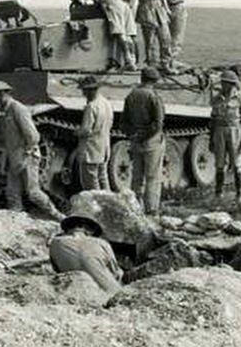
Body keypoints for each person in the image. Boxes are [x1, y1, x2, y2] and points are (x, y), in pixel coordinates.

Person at [0, 80, 63, 219]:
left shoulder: (17, 108)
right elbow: (7, 139)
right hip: (13, 157)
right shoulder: (4, 111)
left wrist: (26, 154)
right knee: (12, 193)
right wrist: (5, 157)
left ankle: (57, 215)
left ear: (1, 94)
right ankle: (17, 220)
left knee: (33, 193)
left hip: (27, 156)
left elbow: (33, 136)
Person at [48, 196, 123, 295]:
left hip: (77, 294)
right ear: (89, 229)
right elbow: (117, 273)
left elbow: (58, 271)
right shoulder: (102, 243)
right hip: (111, 293)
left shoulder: (55, 243)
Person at [121, 66, 165, 215]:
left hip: (135, 141)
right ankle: (151, 210)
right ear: (154, 81)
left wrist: (133, 135)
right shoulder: (153, 96)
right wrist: (144, 136)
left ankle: (134, 208)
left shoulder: (131, 95)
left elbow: (124, 122)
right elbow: (158, 123)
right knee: (152, 178)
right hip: (151, 142)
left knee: (136, 177)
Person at [210, 70, 241, 202]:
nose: (222, 85)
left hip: (235, 131)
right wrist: (211, 139)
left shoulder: (240, 98)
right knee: (219, 164)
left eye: (225, 83)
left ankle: (239, 193)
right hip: (219, 131)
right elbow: (213, 120)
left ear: (232, 84)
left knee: (237, 164)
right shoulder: (216, 98)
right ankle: (218, 193)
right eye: (222, 83)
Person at [129, 0, 173, 71]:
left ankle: (166, 64)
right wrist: (130, 12)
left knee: (166, 39)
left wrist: (167, 10)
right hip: (146, 13)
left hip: (160, 13)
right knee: (150, 42)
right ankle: (151, 66)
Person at [89, 0, 138, 70]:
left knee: (120, 33)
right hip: (125, 7)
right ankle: (133, 60)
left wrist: (98, 3)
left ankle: (128, 60)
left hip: (113, 7)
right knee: (129, 35)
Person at [77, 75, 114, 191]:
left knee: (91, 181)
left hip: (91, 150)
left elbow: (86, 130)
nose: (84, 94)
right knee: (103, 177)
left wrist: (76, 132)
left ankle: (97, 204)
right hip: (104, 146)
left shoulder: (91, 106)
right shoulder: (107, 103)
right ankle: (108, 202)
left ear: (90, 90)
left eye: (85, 91)